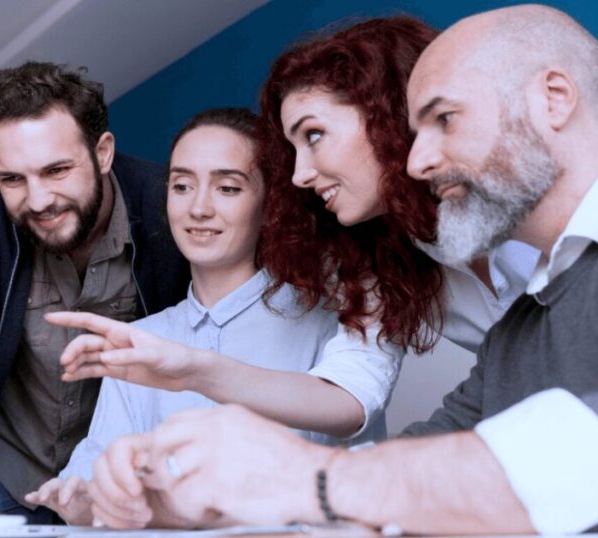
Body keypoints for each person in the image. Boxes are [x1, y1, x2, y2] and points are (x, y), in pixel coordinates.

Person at [71, 5, 598, 534]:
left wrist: (310, 481)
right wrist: (237, 498)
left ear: (554, 99)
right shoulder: (521, 334)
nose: (419, 160)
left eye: (443, 120)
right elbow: (431, 442)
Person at [25, 108, 364, 526]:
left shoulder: (329, 329)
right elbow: (96, 484)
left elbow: (352, 492)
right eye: (182, 186)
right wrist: (81, 503)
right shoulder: (139, 340)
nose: (199, 208)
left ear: (270, 202)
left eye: (227, 188)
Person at [0, 61, 189, 522]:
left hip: (115, 487)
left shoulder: (164, 206)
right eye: (12, 179)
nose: (37, 201)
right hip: (0, 477)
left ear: (102, 152)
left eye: (57, 170)